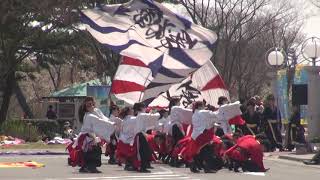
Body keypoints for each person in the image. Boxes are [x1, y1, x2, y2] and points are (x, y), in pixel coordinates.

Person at [68, 96, 115, 173]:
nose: (91, 105)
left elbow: (102, 119)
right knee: (95, 151)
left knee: (86, 151)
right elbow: (100, 121)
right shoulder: (90, 115)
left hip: (86, 135)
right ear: (86, 107)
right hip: (88, 136)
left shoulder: (90, 113)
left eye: (92, 103)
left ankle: (84, 167)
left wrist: (111, 123)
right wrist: (112, 124)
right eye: (89, 104)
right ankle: (91, 167)